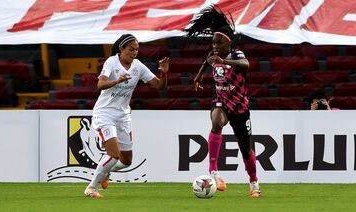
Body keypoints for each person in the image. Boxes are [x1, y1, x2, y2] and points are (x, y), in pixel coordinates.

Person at [185, 5, 261, 197]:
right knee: (216, 122)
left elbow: (246, 64)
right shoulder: (213, 55)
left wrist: (224, 61)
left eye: (219, 43)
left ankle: (254, 184)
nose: (215, 46)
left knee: (245, 149)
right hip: (221, 101)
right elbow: (208, 60)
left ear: (229, 43)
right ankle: (214, 172)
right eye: (213, 42)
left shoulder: (236, 55)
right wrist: (199, 76)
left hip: (239, 106)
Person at [84, 34, 169, 198]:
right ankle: (91, 188)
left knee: (126, 161)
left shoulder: (138, 66)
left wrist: (164, 73)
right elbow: (100, 85)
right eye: (131, 49)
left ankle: (106, 171)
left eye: (137, 49)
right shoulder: (112, 62)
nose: (134, 52)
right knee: (114, 155)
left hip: (123, 116)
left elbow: (160, 86)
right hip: (105, 114)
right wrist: (117, 81)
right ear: (121, 49)